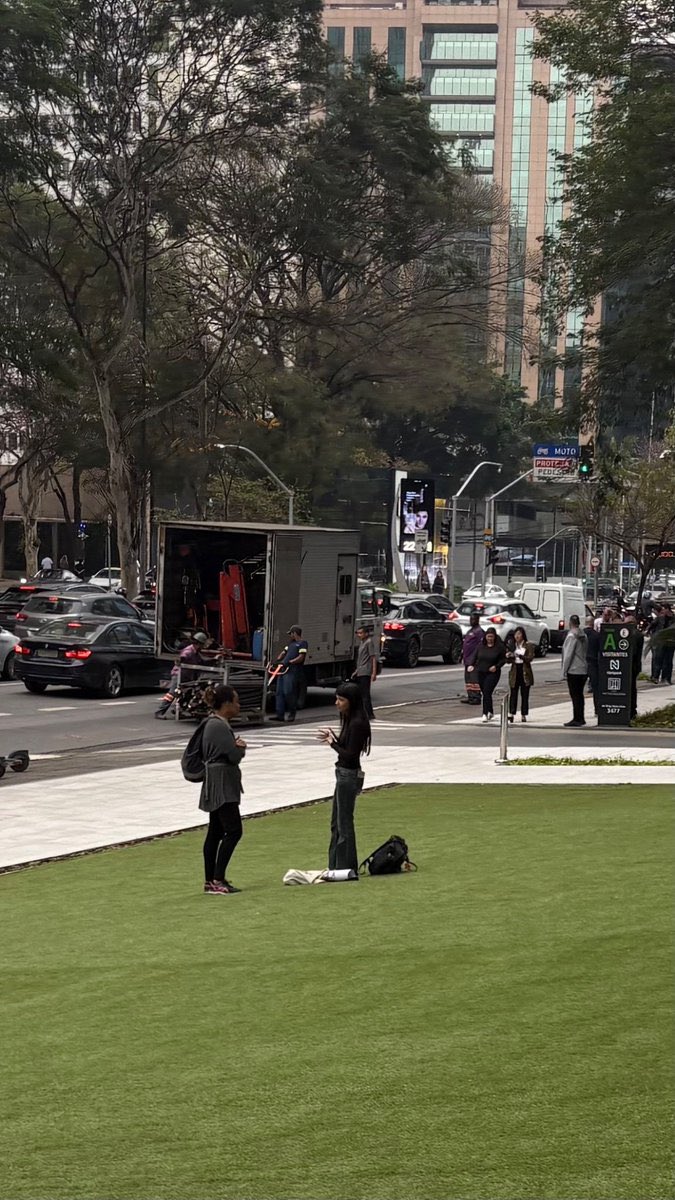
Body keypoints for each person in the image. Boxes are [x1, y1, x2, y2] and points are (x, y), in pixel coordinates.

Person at [317, 682, 371, 874]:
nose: (337, 703)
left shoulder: (357, 723)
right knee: (337, 822)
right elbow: (348, 748)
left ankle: (346, 866)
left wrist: (332, 743)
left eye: (341, 700)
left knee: (344, 822)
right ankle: (336, 865)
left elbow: (350, 755)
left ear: (351, 701)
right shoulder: (351, 720)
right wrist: (335, 739)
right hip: (343, 773)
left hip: (348, 775)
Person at [200, 685, 246, 895]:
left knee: (216, 831)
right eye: (235, 701)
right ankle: (217, 878)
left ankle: (211, 880)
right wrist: (240, 748)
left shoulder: (213, 723)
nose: (238, 705)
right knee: (233, 830)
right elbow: (233, 756)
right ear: (226, 704)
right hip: (222, 782)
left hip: (216, 780)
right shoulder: (218, 726)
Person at [155, 631, 211, 717]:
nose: (203, 646)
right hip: (179, 674)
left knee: (186, 693)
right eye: (202, 644)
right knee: (172, 693)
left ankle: (177, 710)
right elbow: (183, 657)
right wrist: (180, 660)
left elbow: (201, 661)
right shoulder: (189, 650)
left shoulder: (196, 652)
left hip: (186, 676)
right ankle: (159, 712)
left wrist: (213, 659)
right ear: (199, 643)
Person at [467, 626, 506, 722]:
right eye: (488, 637)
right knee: (485, 692)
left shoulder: (499, 647)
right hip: (481, 671)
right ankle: (490, 711)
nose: (490, 639)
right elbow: (475, 656)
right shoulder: (481, 646)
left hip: (493, 673)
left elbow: (503, 659)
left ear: (495, 637)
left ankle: (484, 713)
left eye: (492, 637)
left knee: (487, 691)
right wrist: (471, 664)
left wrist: (496, 667)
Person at [272, 625, 308, 723]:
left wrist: (291, 661)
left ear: (295, 633)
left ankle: (292, 713)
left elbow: (301, 657)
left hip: (292, 670)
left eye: (291, 634)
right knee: (279, 692)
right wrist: (278, 659)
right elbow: (283, 652)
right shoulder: (290, 644)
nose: (290, 636)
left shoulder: (302, 644)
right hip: (283, 669)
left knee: (288, 692)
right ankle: (280, 714)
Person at [561, 614, 588, 727]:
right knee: (580, 695)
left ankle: (577, 718)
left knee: (575, 695)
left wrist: (564, 670)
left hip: (574, 669)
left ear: (570, 623)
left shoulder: (572, 636)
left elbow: (568, 654)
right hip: (583, 668)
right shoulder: (584, 635)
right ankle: (581, 717)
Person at [507, 626, 534, 722]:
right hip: (515, 670)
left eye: (519, 634)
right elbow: (508, 661)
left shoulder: (528, 645)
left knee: (525, 694)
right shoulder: (512, 645)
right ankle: (511, 713)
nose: (517, 636)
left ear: (523, 635)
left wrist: (521, 656)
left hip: (524, 671)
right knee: (513, 693)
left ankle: (523, 714)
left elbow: (530, 658)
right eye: (516, 634)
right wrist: (509, 656)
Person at [352, 623, 378, 719]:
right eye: (358, 633)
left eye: (361, 633)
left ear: (366, 633)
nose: (359, 635)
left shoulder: (369, 642)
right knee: (361, 693)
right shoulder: (362, 643)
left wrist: (373, 673)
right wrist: (356, 671)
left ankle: (369, 714)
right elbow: (361, 659)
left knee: (365, 694)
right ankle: (364, 712)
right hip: (360, 671)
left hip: (365, 672)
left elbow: (373, 657)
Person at [461, 612, 484, 705]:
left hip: (474, 660)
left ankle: (476, 697)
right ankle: (470, 696)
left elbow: (481, 645)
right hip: (467, 660)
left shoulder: (479, 632)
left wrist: (477, 659)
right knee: (468, 679)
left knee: (474, 679)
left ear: (477, 620)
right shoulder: (470, 630)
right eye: (470, 619)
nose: (471, 621)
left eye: (473, 619)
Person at [584, 615, 601, 717]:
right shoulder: (597, 635)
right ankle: (597, 710)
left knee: (578, 690)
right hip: (593, 663)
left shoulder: (581, 634)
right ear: (593, 623)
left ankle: (579, 713)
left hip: (582, 663)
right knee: (596, 688)